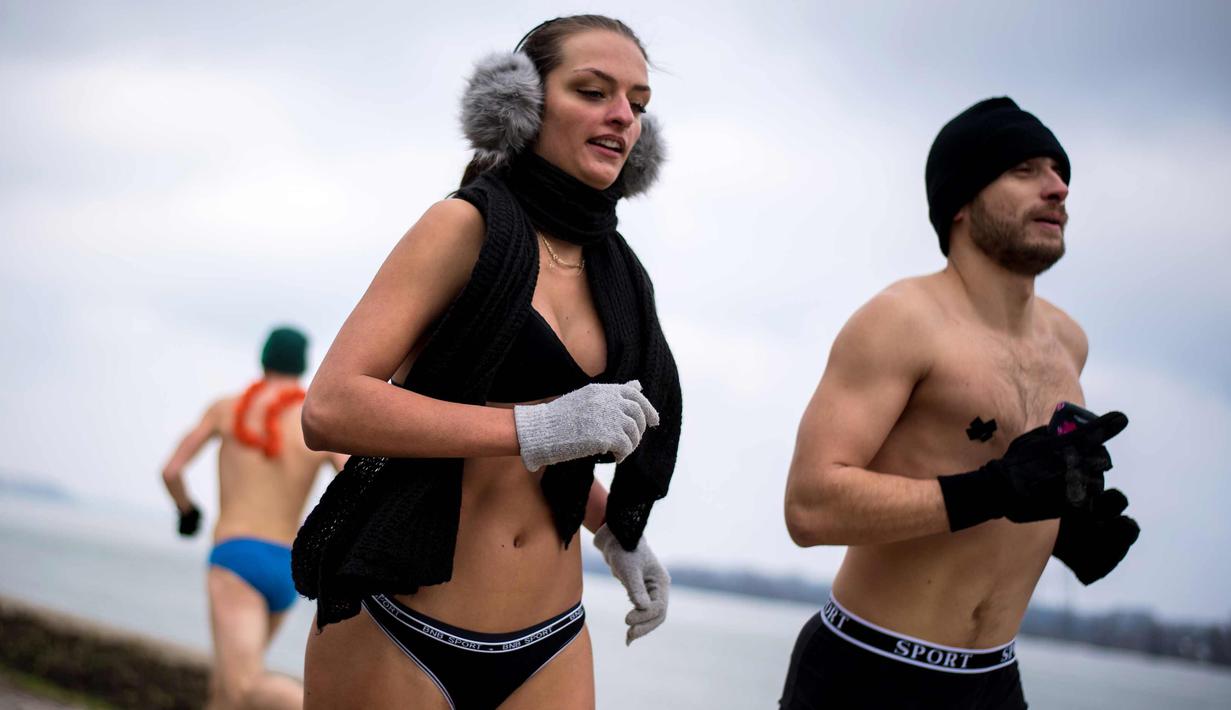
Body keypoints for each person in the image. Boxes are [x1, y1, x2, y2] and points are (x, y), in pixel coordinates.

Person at [291, 15, 681, 710]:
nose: (622, 116)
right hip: (403, 621)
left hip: (552, 637)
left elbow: (566, 441)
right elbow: (331, 408)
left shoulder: (619, 273)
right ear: (522, 104)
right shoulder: (463, 227)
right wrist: (535, 429)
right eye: (593, 91)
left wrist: (614, 530)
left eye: (639, 105)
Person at [780, 98, 1140, 709]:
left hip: (993, 681)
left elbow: (1014, 487)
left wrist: (1065, 532)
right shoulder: (901, 321)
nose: (1057, 188)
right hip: (869, 669)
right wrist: (995, 489)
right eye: (1026, 170)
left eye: (1059, 172)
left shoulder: (1068, 343)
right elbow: (809, 507)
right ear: (962, 204)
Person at [161, 326, 347, 710]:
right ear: (302, 363)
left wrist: (188, 512)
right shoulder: (315, 420)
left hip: (237, 559)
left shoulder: (227, 408)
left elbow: (172, 471)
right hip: (287, 567)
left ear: (264, 358)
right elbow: (357, 488)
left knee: (243, 686)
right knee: (224, 691)